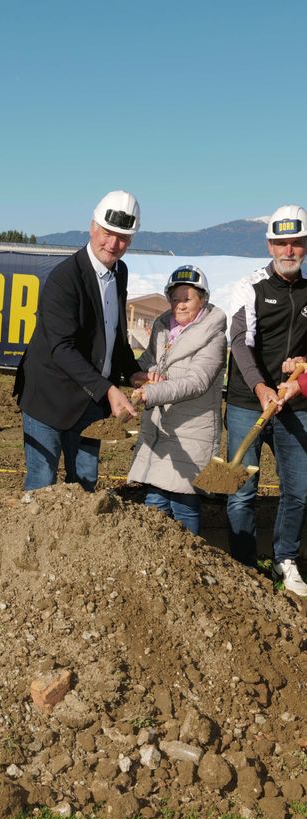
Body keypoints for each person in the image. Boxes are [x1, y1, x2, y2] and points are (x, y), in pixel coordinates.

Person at [14, 190, 146, 492]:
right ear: (92, 227)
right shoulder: (65, 278)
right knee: (42, 482)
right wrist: (108, 389)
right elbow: (62, 349)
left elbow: (113, 334)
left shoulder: (120, 272)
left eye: (122, 238)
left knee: (85, 481)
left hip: (90, 400)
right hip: (49, 397)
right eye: (108, 233)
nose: (113, 244)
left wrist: (132, 371)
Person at [225, 204, 307, 597]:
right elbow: (240, 343)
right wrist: (261, 388)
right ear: (269, 245)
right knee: (241, 490)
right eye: (281, 243)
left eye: (297, 243)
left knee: (299, 490)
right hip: (248, 401)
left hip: (296, 404)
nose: (289, 251)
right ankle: (242, 566)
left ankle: (284, 559)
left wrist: (300, 378)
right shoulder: (250, 287)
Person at [127, 266, 226, 533]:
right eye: (174, 299)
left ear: (202, 299)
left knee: (184, 504)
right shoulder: (162, 328)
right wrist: (138, 376)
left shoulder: (214, 337)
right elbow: (148, 361)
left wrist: (152, 392)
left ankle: (189, 556)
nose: (179, 305)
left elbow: (197, 382)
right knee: (155, 503)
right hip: (160, 432)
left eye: (187, 299)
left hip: (191, 432)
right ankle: (154, 556)